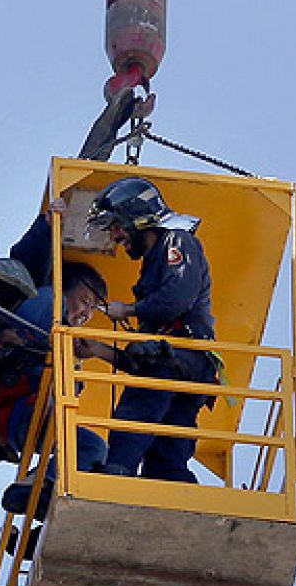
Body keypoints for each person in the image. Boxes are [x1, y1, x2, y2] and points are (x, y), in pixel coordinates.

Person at [76, 176, 217, 482]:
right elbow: (146, 355)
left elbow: (177, 297)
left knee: (137, 410)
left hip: (181, 358)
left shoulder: (177, 241)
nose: (114, 236)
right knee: (167, 456)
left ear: (138, 218)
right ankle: (178, 495)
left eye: (116, 226)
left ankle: (117, 475)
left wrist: (128, 309)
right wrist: (98, 350)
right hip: (186, 365)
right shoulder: (156, 260)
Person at [0, 261, 111, 515]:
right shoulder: (49, 301)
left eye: (94, 309)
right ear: (66, 288)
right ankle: (38, 484)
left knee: (95, 456)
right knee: (91, 448)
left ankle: (38, 495)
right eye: (85, 301)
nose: (87, 313)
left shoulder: (65, 336)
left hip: (25, 415)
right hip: (19, 405)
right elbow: (25, 342)